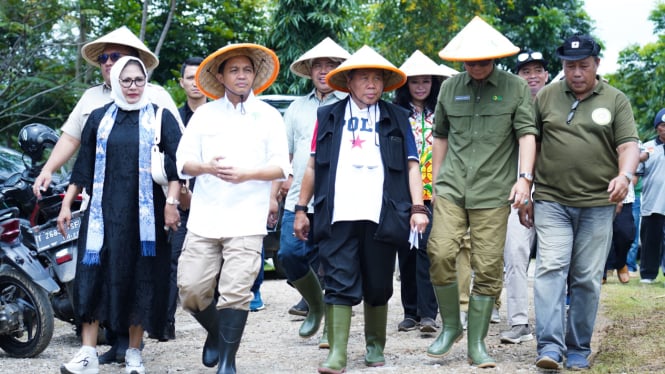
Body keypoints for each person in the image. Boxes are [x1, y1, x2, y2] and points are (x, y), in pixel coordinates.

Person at [35, 25, 183, 365]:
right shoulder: (97, 111)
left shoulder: (159, 106)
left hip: (144, 213)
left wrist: (174, 202)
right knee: (93, 273)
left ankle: (132, 351)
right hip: (102, 211)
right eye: (122, 76)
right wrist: (64, 197)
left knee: (139, 276)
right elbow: (80, 156)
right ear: (113, 76)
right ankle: (88, 353)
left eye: (137, 79)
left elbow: (177, 161)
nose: (131, 85)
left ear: (144, 76)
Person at [293, 45, 429, 373]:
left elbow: (412, 166)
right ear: (349, 82)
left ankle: (374, 345)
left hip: (383, 213)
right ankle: (337, 352)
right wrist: (300, 207)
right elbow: (312, 165)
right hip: (337, 213)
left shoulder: (397, 118)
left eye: (377, 79)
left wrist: (418, 207)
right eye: (364, 78)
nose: (372, 84)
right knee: (338, 280)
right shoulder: (328, 116)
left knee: (379, 283)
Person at [426, 16, 537, 369]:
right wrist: (438, 183)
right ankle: (450, 326)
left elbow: (526, 135)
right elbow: (440, 135)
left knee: (488, 267)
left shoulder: (515, 88)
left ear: (496, 59)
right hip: (452, 187)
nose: (476, 67)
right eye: (469, 61)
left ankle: (477, 343)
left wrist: (525, 179)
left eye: (483, 61)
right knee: (440, 252)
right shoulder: (448, 88)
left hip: (494, 191)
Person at [523, 35, 640, 370]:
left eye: (583, 66)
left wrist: (625, 176)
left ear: (597, 65)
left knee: (587, 277)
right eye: (569, 66)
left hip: (597, 203)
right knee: (550, 269)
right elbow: (533, 143)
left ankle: (578, 348)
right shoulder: (546, 97)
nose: (576, 73)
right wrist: (527, 188)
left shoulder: (616, 100)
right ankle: (548, 345)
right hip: (551, 200)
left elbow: (628, 146)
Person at [175, 43, 290, 373]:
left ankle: (228, 362)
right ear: (220, 76)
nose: (242, 76)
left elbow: (281, 166)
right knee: (192, 292)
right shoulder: (204, 115)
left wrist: (247, 174)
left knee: (235, 293)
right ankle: (216, 333)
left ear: (255, 76)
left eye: (247, 70)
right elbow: (182, 162)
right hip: (205, 217)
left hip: (247, 218)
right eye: (234, 70)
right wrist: (206, 167)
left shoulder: (268, 116)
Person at [33, 25, 182, 198]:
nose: (108, 62)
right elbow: (70, 138)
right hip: (99, 197)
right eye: (103, 58)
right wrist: (48, 170)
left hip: (149, 198)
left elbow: (179, 148)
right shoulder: (90, 96)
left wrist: (180, 193)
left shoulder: (156, 96)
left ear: (134, 60)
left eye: (115, 56)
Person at [275, 37, 350, 344]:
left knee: (334, 265)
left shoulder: (349, 104)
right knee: (289, 256)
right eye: (317, 65)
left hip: (338, 200)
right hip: (298, 200)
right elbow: (285, 157)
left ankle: (332, 329)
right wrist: (274, 194)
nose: (323, 71)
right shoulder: (295, 108)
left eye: (330, 65)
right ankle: (315, 305)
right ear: (309, 71)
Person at [393, 50, 455, 333]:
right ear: (405, 84)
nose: (420, 87)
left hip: (434, 192)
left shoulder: (441, 112)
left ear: (433, 83)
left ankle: (429, 314)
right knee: (406, 252)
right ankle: (410, 312)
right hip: (403, 194)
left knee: (428, 252)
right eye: (414, 81)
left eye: (425, 81)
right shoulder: (396, 114)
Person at [152, 56, 206, 342]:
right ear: (181, 82)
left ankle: (219, 321)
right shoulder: (171, 117)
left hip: (214, 199)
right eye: (189, 78)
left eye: (201, 77)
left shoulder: (218, 115)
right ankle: (165, 322)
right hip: (181, 197)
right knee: (173, 258)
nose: (195, 83)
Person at [498, 49, 549, 344]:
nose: (531, 76)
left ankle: (551, 322)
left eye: (537, 70)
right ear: (517, 76)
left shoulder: (558, 102)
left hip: (554, 191)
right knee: (515, 254)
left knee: (554, 261)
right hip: (518, 192)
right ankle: (519, 322)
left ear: (545, 74)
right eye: (525, 71)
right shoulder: (507, 104)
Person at [637, 108, 665, 284]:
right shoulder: (647, 148)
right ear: (657, 128)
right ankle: (648, 274)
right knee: (651, 239)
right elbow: (636, 172)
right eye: (663, 125)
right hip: (653, 203)